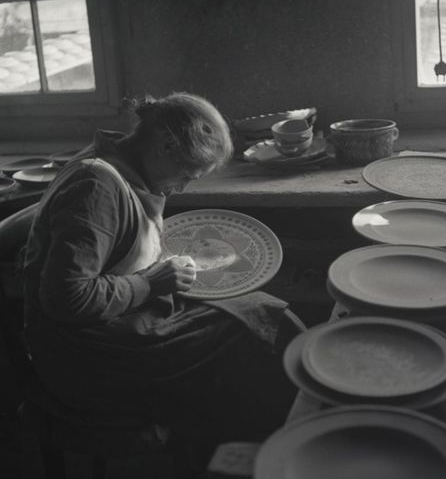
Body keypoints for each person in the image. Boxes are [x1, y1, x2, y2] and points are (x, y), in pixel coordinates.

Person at [23, 92, 303, 454]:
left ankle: (251, 445)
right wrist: (148, 283)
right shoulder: (95, 186)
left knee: (259, 316)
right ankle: (272, 454)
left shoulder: (121, 164)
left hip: (111, 331)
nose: (182, 188)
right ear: (166, 145)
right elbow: (66, 299)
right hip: (85, 362)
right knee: (262, 326)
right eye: (186, 175)